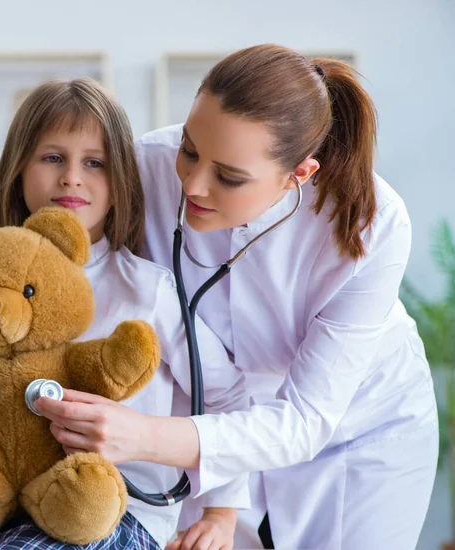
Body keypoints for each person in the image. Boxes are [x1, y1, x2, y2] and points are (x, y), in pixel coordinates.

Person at [36, 44, 439, 550]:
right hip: (209, 431)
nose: (193, 184)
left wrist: (143, 437)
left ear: (300, 174)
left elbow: (305, 420)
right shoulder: (148, 168)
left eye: (228, 177)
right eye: (189, 150)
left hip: (354, 432)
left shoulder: (372, 223)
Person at [0, 78, 250, 550]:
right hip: (0, 504)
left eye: (94, 162)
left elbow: (227, 397)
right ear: (18, 170)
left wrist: (222, 514)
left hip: (113, 511)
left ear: (120, 179)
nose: (71, 177)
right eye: (51, 158)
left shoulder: (147, 291)